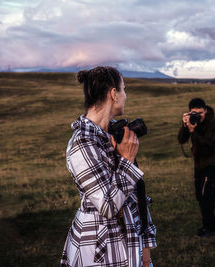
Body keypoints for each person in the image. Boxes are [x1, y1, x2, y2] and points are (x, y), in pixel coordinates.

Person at [61, 66, 157, 267]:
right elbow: (108, 205)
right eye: (124, 89)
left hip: (128, 242)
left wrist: (145, 247)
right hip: (100, 249)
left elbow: (135, 194)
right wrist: (127, 161)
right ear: (114, 94)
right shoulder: (83, 143)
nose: (125, 95)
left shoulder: (112, 134)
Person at [178, 98, 215, 238]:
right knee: (199, 194)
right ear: (190, 112)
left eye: (200, 113)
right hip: (199, 164)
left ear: (206, 111)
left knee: (206, 194)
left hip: (211, 163)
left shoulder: (213, 123)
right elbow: (181, 139)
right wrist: (185, 126)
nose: (198, 116)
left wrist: (193, 131)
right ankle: (211, 221)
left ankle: (209, 227)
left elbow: (207, 145)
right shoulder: (193, 121)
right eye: (194, 113)